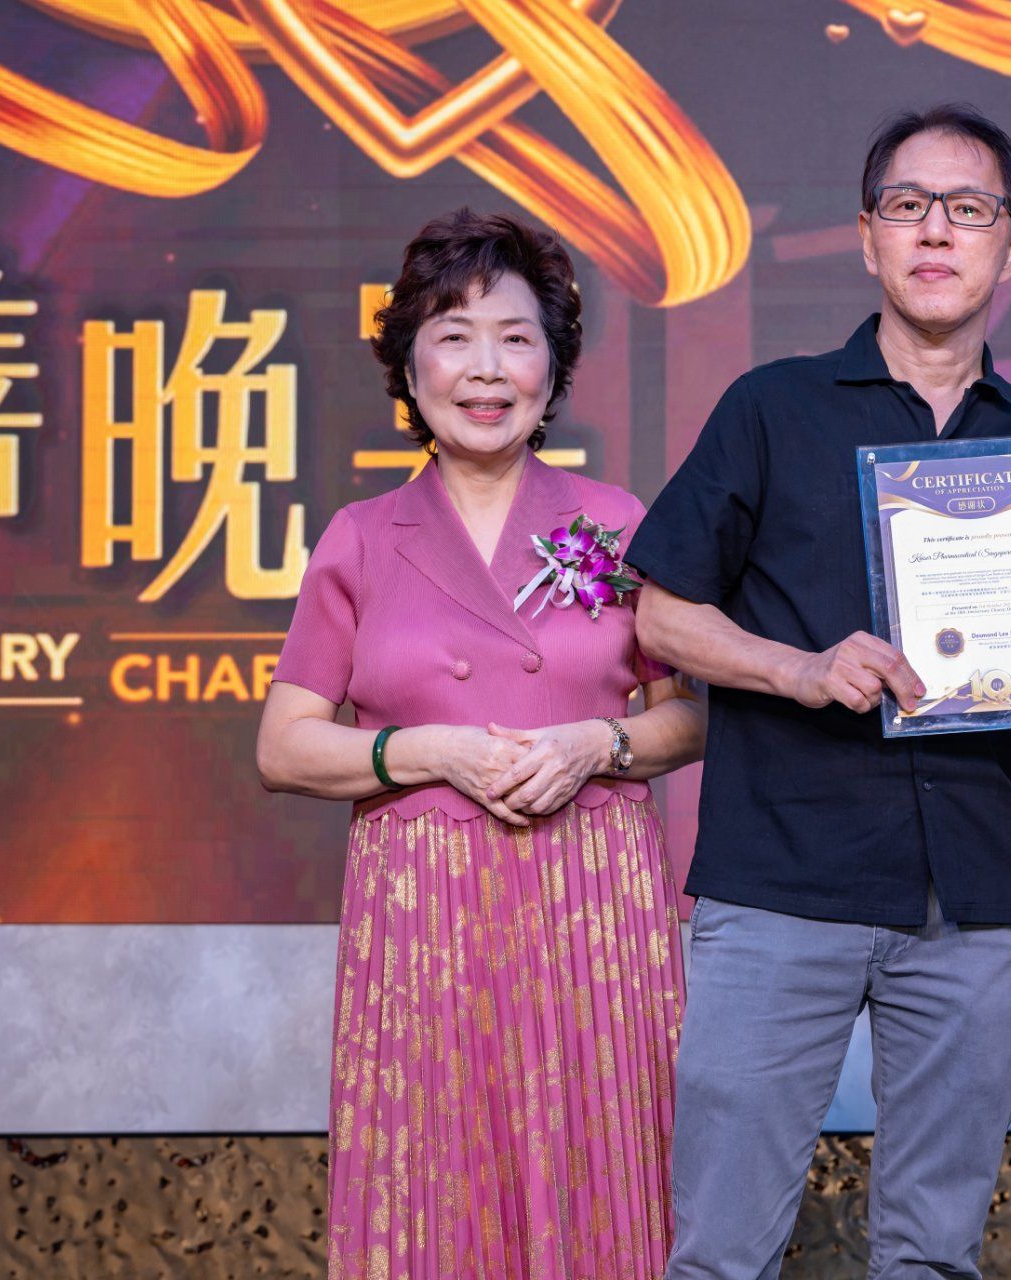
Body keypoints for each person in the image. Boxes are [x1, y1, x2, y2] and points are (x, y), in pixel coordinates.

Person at [627, 104, 1011, 1278]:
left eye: (970, 208)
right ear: (867, 236)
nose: (936, 231)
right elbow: (660, 614)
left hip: (976, 895)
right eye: (908, 206)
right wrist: (799, 668)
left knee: (934, 1254)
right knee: (720, 1252)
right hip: (781, 883)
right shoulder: (772, 407)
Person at [255, 210, 704, 1279]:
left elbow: (691, 716)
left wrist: (595, 743)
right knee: (433, 1184)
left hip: (594, 899)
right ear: (410, 369)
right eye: (454, 337)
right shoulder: (364, 537)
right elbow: (284, 745)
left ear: (554, 366)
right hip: (424, 910)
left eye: (515, 337)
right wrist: (430, 753)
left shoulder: (614, 523)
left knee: (605, 1175)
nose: (486, 368)